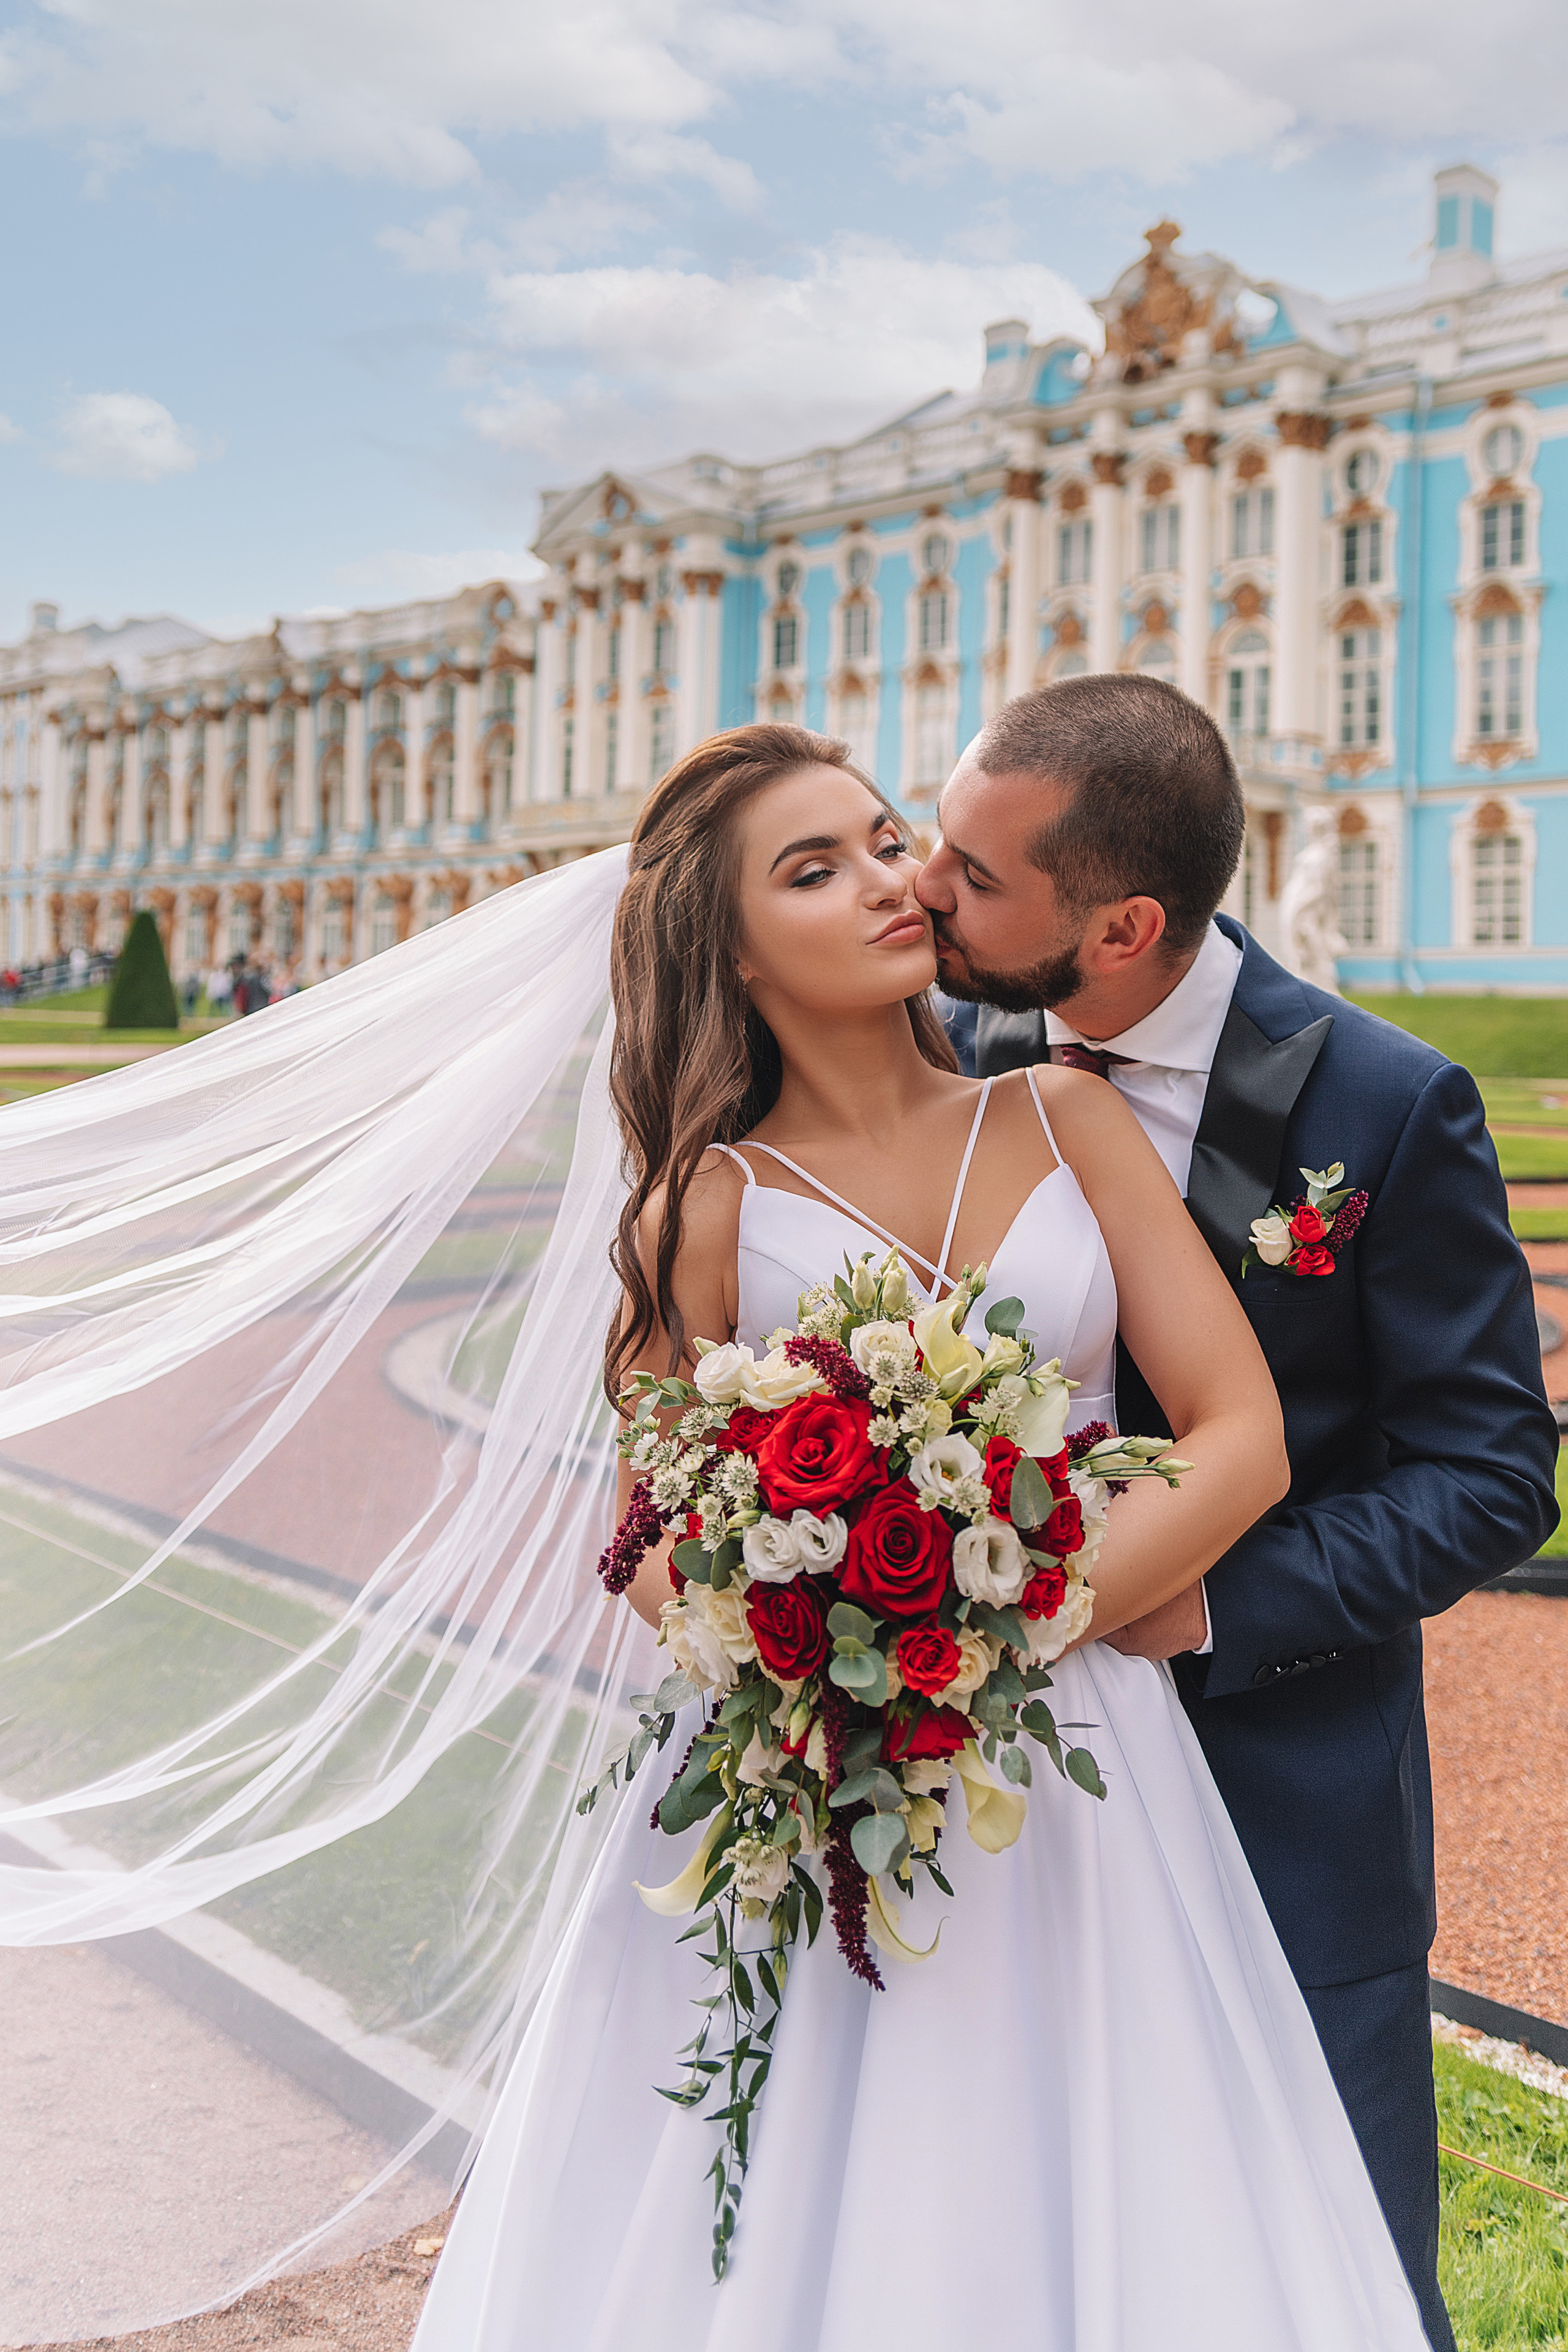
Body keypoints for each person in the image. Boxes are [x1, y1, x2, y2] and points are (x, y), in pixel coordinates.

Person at [409, 723, 1430, 2350]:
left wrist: (1005, 1630)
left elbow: (1237, 1437)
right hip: (813, 1775)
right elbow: (655, 1530)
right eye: (814, 869)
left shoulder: (1066, 1119)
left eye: (887, 840)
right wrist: (812, 1649)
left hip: (1077, 1749)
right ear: (728, 952)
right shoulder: (706, 1205)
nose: (893, 879)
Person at [915, 674, 1559, 2352]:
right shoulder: (944, 1053)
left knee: (1320, 2275)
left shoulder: (1386, 1105)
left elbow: (1493, 1475)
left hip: (1280, 1790)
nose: (926, 891)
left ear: (1123, 925)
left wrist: (1206, 1601)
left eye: (976, 876)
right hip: (988, 1786)